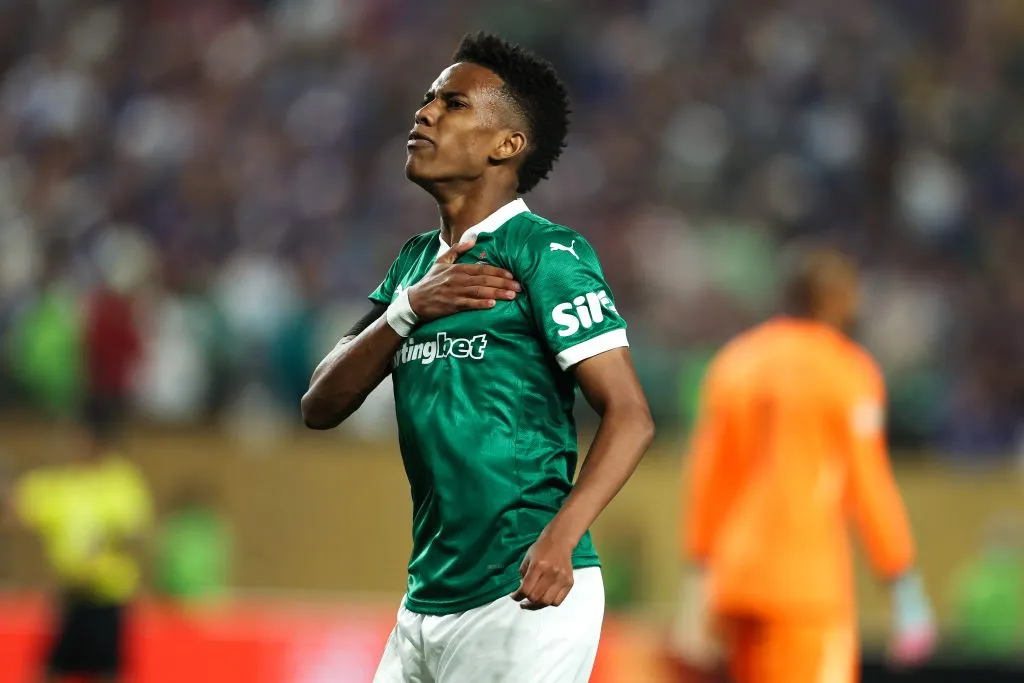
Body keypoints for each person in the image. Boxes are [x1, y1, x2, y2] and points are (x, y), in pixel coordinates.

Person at [301, 32, 655, 683]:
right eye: (428, 99)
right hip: (424, 602)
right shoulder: (415, 264)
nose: (425, 113)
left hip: (523, 592)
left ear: (506, 144)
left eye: (453, 103)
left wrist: (561, 537)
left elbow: (630, 413)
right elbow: (320, 403)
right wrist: (408, 309)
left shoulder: (547, 253)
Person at [670, 248, 937, 683]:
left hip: (736, 582)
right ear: (838, 300)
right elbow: (869, 484)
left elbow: (708, 480)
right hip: (806, 588)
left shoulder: (735, 362)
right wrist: (900, 576)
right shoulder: (846, 371)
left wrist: (696, 583)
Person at [2, 413, 152, 683]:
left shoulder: (121, 482)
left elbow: (138, 531)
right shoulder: (62, 484)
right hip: (72, 596)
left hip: (107, 598)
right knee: (50, 670)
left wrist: (108, 541)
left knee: (107, 672)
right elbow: (19, 508)